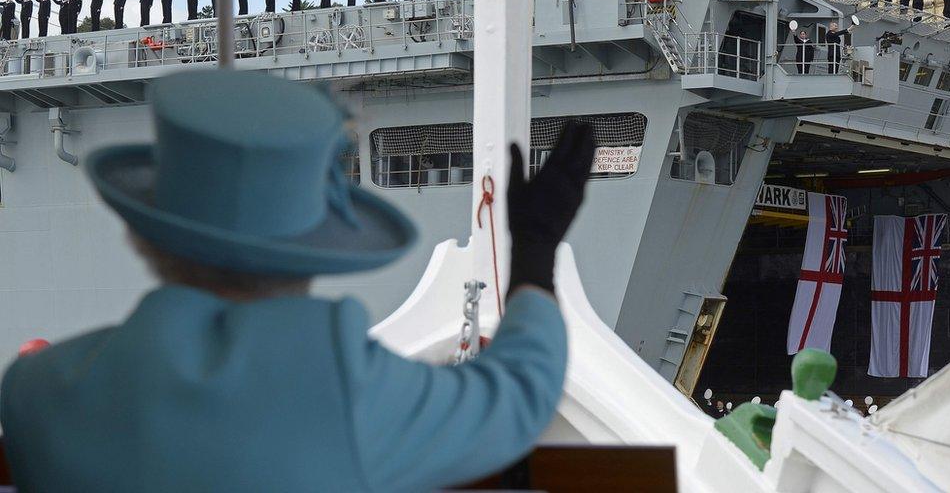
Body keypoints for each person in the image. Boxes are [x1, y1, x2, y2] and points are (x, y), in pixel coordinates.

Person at [0, 70, 594, 492]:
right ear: (324, 249)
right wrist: (535, 249)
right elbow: (519, 395)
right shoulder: (353, 392)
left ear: (138, 234)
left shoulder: (37, 393)